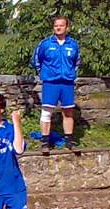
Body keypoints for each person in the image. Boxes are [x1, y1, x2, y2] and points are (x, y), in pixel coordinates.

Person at [31, 15, 81, 155]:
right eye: (56, 25)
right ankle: (45, 142)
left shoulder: (73, 44)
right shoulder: (46, 44)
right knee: (47, 111)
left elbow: (77, 62)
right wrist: (43, 74)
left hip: (67, 83)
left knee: (68, 112)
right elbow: (36, 60)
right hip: (51, 82)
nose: (58, 28)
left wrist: (72, 75)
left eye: (61, 25)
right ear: (53, 28)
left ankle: (69, 141)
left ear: (67, 27)